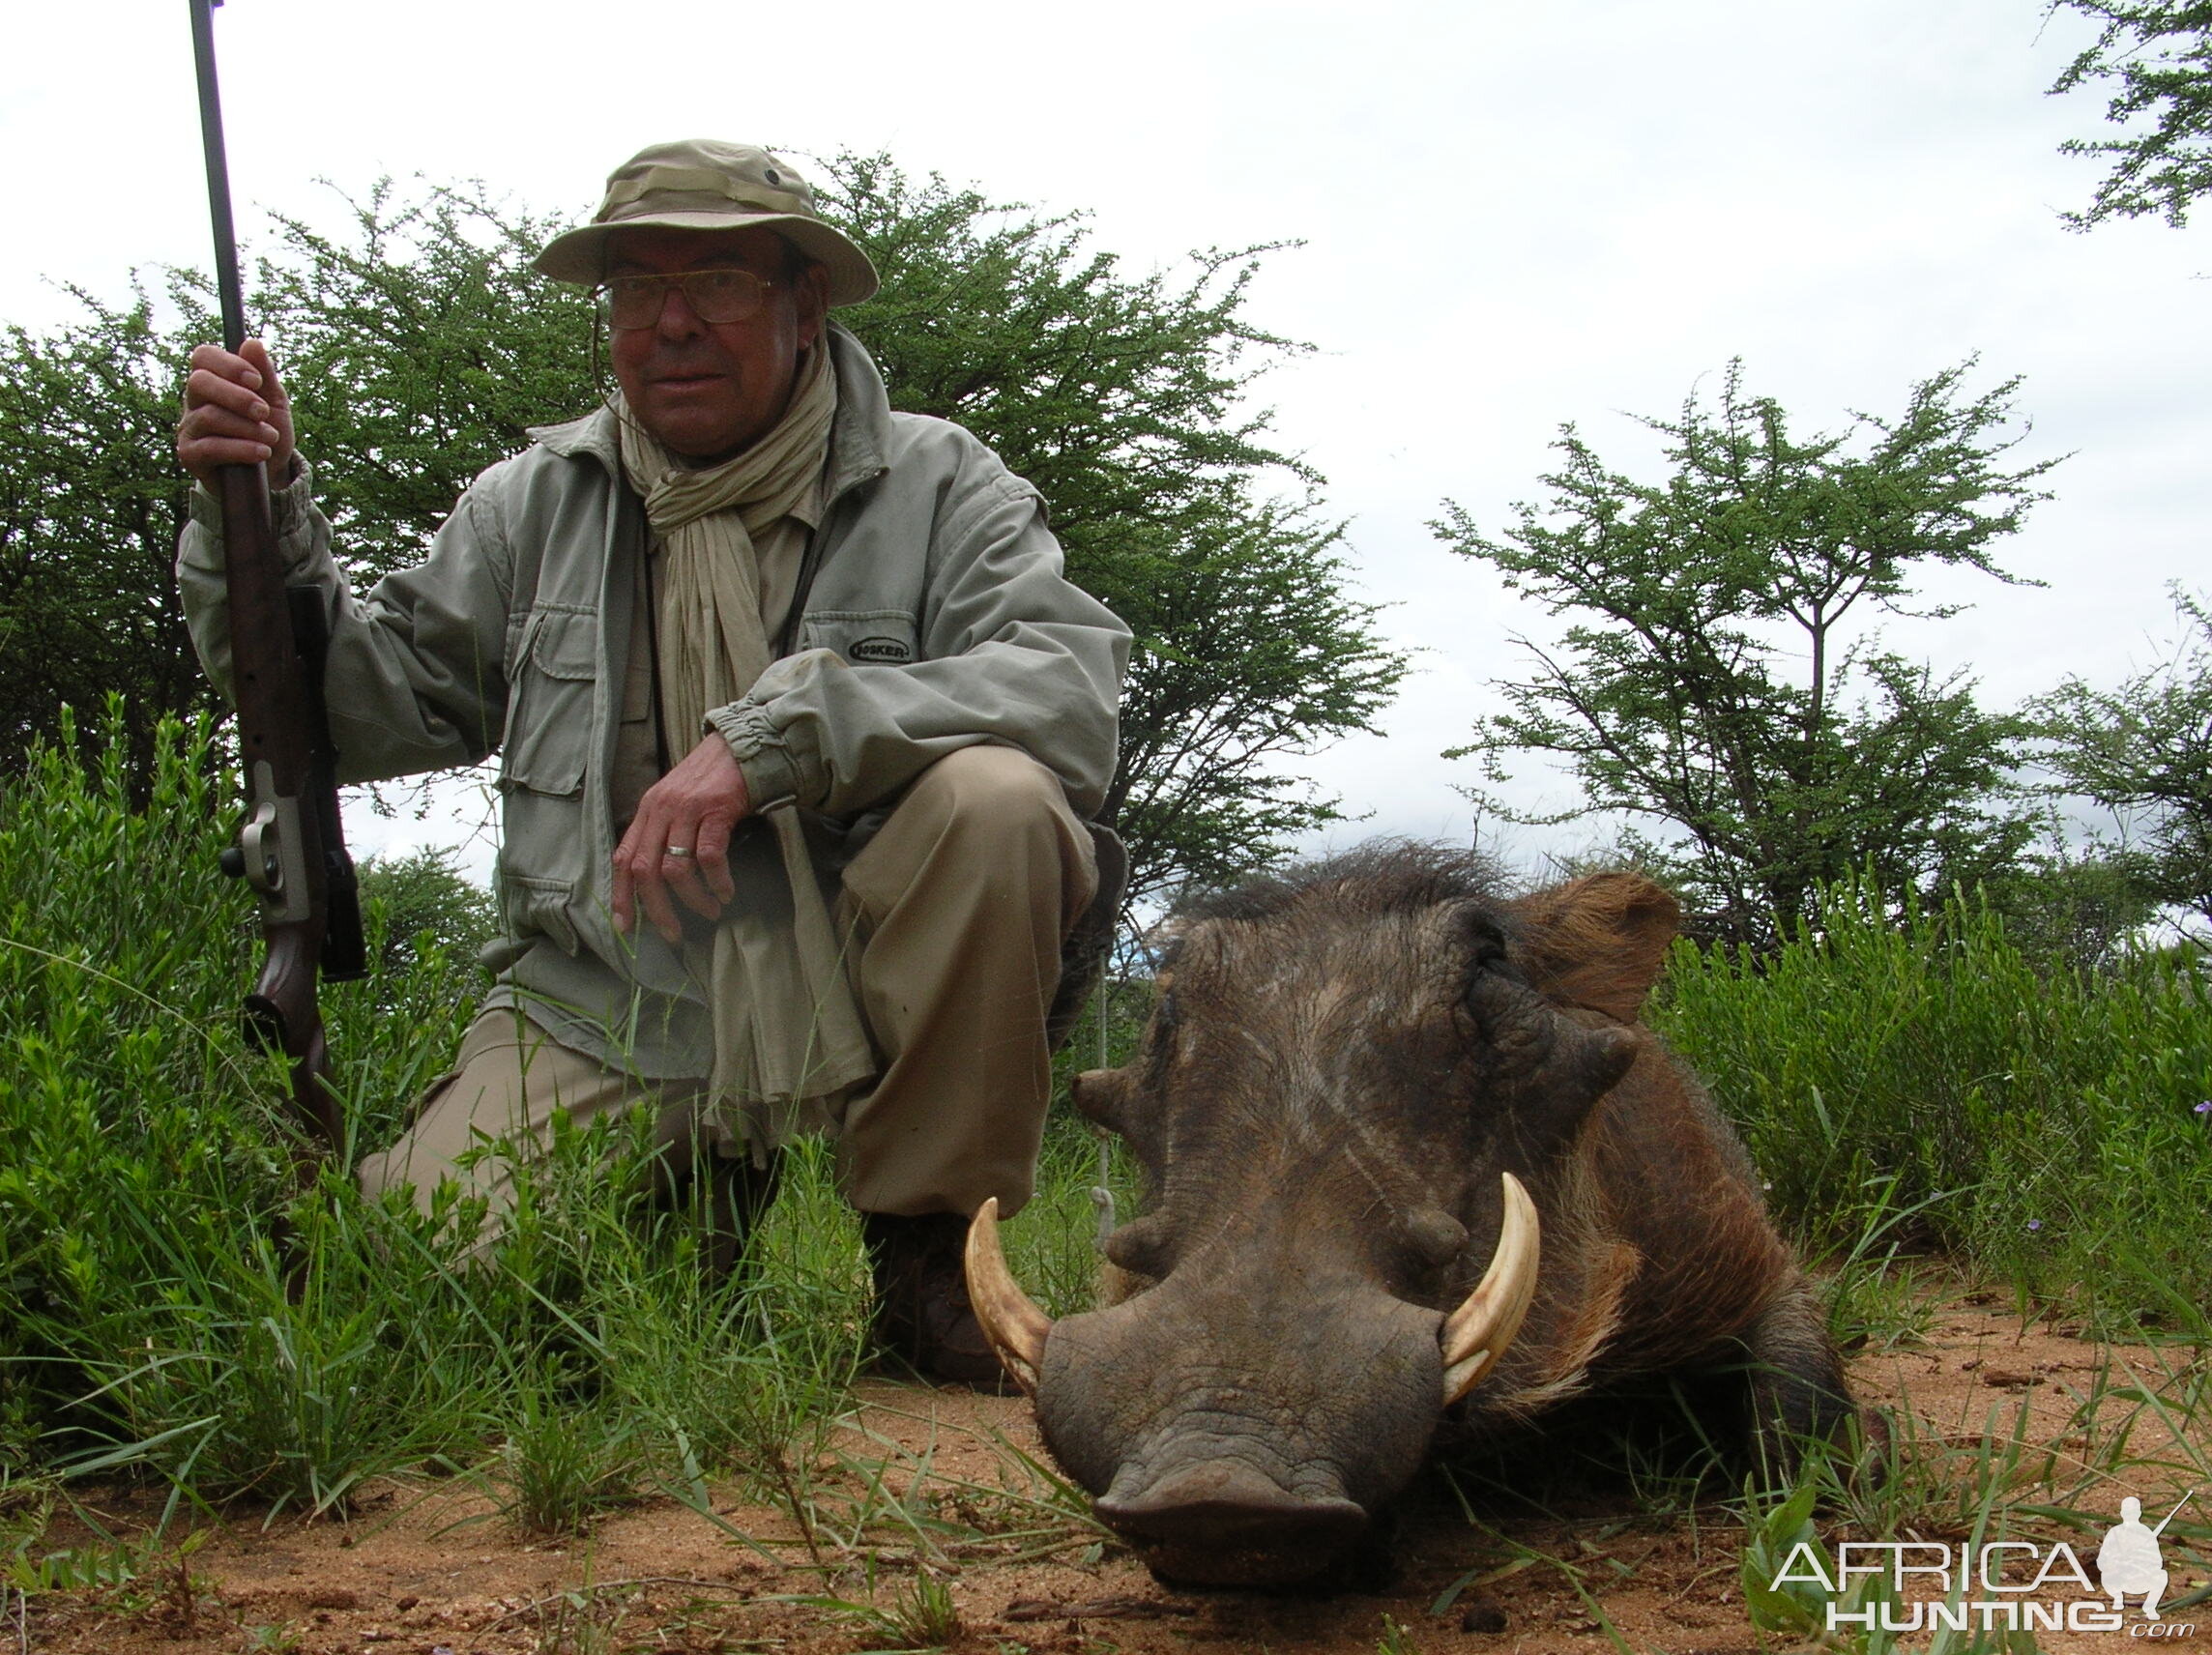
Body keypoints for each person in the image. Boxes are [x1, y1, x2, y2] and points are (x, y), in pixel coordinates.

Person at [175, 139, 1131, 1383]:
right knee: (419, 1286)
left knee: (999, 800)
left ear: (805, 305)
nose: (671, 325)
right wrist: (256, 511)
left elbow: (1069, 690)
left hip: (872, 977)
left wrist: (775, 738)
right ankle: (682, 1209)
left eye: (720, 284)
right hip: (609, 994)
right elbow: (369, 713)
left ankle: (929, 1259)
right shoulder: (532, 501)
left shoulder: (941, 480)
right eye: (636, 290)